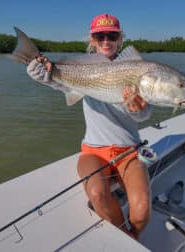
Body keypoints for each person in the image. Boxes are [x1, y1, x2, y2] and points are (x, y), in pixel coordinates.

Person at [27, 13, 152, 240]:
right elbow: (61, 83)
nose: (106, 40)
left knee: (142, 211)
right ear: (92, 40)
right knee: (96, 193)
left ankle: (131, 237)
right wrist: (42, 75)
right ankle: (128, 240)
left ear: (120, 38)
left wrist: (138, 109)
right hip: (94, 150)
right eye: (100, 35)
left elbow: (144, 114)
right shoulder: (84, 68)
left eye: (111, 35)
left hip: (130, 151)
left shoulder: (136, 68)